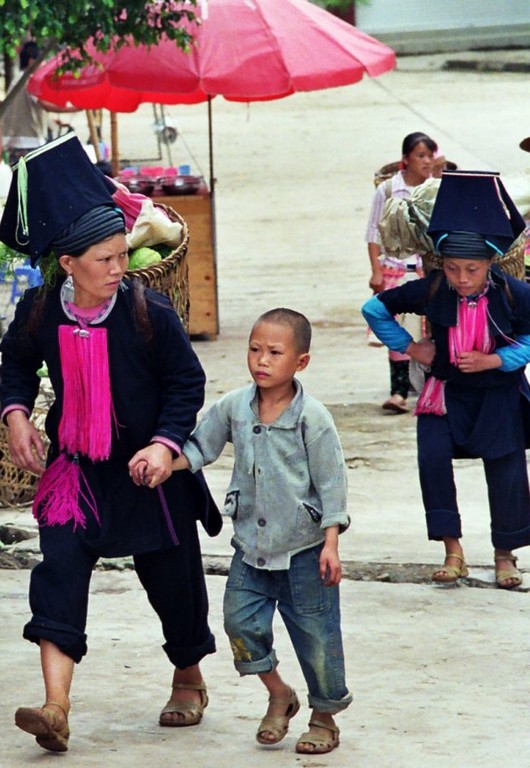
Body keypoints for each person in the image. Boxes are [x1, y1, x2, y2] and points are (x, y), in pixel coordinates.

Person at [0, 132, 222, 753]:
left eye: (123, 255)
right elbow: (14, 366)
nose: (119, 268)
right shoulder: (41, 312)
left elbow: (186, 385)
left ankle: (188, 678)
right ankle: (56, 707)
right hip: (76, 471)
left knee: (172, 579)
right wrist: (17, 415)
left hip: (148, 470)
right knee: (60, 572)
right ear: (68, 264)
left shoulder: (149, 313)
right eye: (105, 259)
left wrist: (163, 445)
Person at [174, 308, 351, 755]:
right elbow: (200, 447)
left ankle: (324, 718)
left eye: (275, 352)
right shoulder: (234, 406)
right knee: (239, 623)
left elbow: (332, 483)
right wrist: (163, 463)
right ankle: (278, 692)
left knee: (317, 637)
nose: (262, 360)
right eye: (255, 349)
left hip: (306, 552)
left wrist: (331, 543)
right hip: (249, 549)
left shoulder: (313, 417)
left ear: (300, 362)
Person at [362, 170, 530, 589]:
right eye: (453, 268)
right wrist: (412, 347)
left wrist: (496, 360)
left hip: (498, 394)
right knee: (433, 460)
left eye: (471, 269)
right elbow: (374, 309)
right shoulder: (434, 289)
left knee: (506, 466)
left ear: (489, 264)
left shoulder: (514, 294)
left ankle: (505, 555)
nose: (461, 278)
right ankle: (452, 551)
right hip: (444, 393)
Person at [366, 132, 438, 413]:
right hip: (395, 267)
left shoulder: (435, 190)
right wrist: (376, 271)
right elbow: (373, 230)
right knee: (395, 326)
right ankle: (398, 392)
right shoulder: (388, 190)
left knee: (430, 329)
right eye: (421, 156)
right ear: (405, 160)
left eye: (430, 156)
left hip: (427, 268)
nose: (426, 161)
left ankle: (427, 387)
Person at [0, 41, 79, 167]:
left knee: (23, 184)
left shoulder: (15, 83)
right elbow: (46, 105)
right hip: (30, 144)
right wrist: (75, 108)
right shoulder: (31, 82)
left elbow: (14, 114)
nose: (44, 65)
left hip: (13, 144)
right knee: (34, 184)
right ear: (32, 61)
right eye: (42, 61)